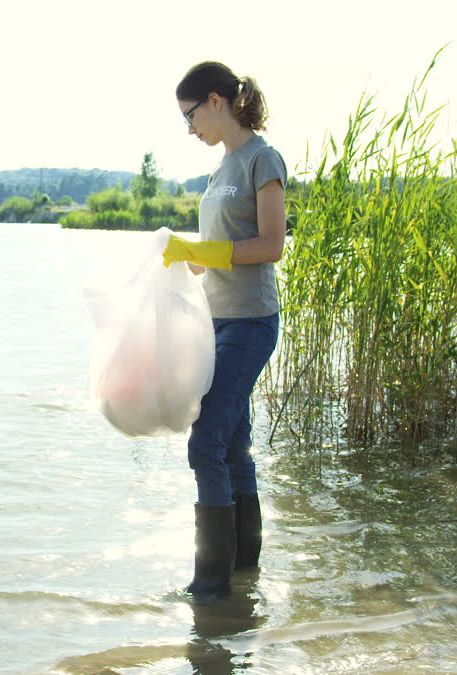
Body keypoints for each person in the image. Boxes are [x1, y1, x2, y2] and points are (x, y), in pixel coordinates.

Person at [163, 62, 287, 602]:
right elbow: (218, 249)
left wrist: (206, 252)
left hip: (252, 322)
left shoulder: (263, 159)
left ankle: (210, 586)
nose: (190, 128)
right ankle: (243, 572)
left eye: (191, 116)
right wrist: (183, 259)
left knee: (206, 441)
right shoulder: (221, 169)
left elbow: (270, 244)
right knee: (233, 444)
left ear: (216, 101)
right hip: (215, 323)